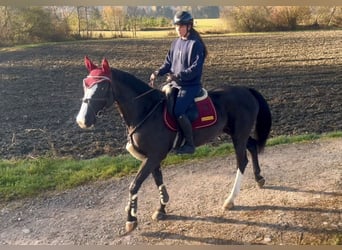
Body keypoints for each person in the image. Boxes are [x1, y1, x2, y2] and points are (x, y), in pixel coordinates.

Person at [150, 10, 208, 154]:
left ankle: (189, 144)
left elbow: (195, 69)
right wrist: (158, 72)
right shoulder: (175, 43)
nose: (178, 29)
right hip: (176, 84)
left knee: (178, 110)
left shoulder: (196, 44)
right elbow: (168, 63)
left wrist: (177, 76)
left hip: (190, 86)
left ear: (189, 26)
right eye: (176, 26)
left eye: (181, 26)